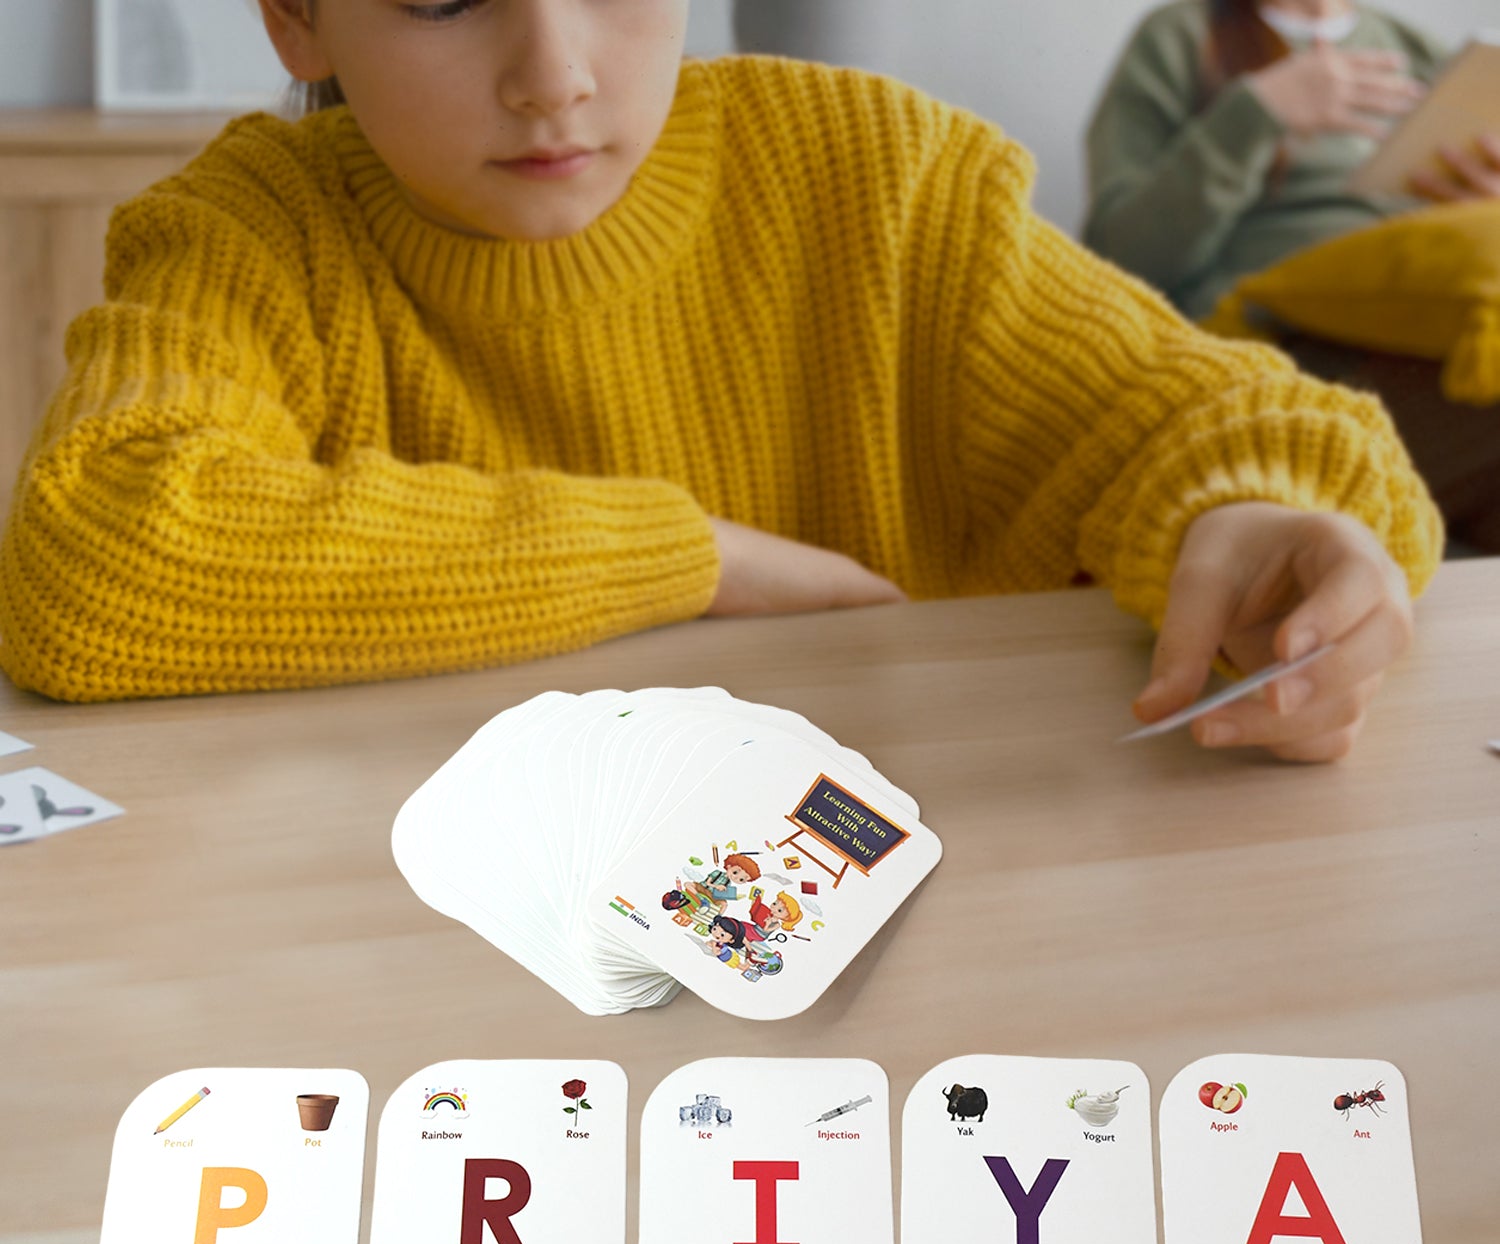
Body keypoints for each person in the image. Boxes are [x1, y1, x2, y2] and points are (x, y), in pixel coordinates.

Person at [0, 0, 1436, 765]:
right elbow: (96, 557)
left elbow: (1248, 423)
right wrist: (691, 560)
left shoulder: (881, 176)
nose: (553, 73)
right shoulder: (252, 227)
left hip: (924, 918)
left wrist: (1260, 516)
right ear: (295, 20)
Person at [1085, 0, 1500, 550]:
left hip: (1427, 320)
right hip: (1275, 343)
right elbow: (1120, 260)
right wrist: (1255, 114)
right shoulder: (1181, 35)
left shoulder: (1415, 48)